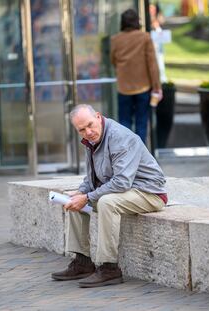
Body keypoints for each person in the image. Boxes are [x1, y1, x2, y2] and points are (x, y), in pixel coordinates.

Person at [51, 104, 168, 288]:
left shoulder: (120, 137)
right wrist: (81, 193)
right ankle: (82, 262)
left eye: (90, 125)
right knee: (75, 201)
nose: (88, 132)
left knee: (106, 202)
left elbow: (122, 182)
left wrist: (88, 197)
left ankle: (109, 269)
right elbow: (91, 178)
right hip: (125, 192)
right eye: (82, 129)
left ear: (98, 116)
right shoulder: (91, 140)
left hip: (149, 193)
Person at [110, 9, 162, 144]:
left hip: (123, 87)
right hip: (143, 87)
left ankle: (126, 156)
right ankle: (140, 157)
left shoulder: (115, 39)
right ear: (136, 22)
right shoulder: (145, 37)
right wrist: (157, 86)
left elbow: (113, 60)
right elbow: (152, 65)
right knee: (141, 123)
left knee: (124, 123)